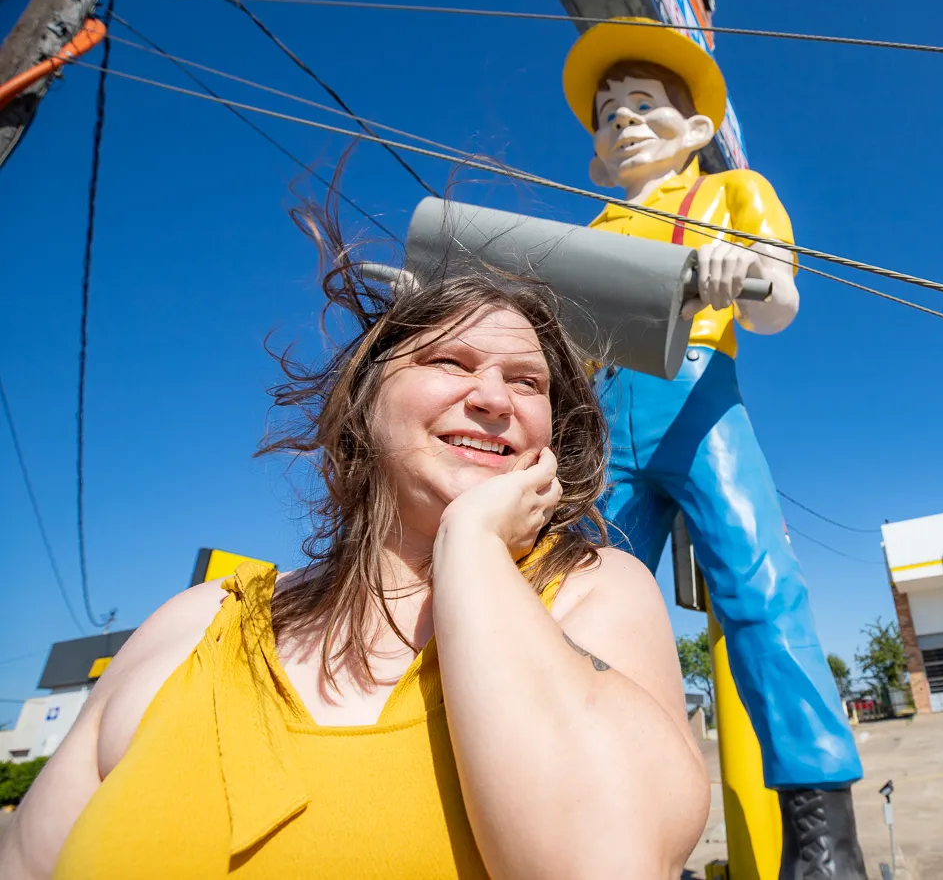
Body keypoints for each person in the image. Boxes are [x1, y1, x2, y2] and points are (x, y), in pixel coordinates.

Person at [0, 192, 710, 879]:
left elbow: (601, 861)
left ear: (550, 438)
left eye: (527, 382)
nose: (493, 398)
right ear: (367, 399)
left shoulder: (592, 594)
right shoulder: (193, 623)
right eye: (450, 362)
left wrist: (470, 545)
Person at [562, 18, 868, 878]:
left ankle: (822, 831)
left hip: (696, 395)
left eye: (644, 105)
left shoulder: (733, 194)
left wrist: (747, 275)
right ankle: (597, 816)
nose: (623, 121)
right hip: (598, 416)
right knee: (576, 610)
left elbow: (779, 307)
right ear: (596, 155)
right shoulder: (588, 227)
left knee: (758, 584)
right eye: (608, 113)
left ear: (696, 130)